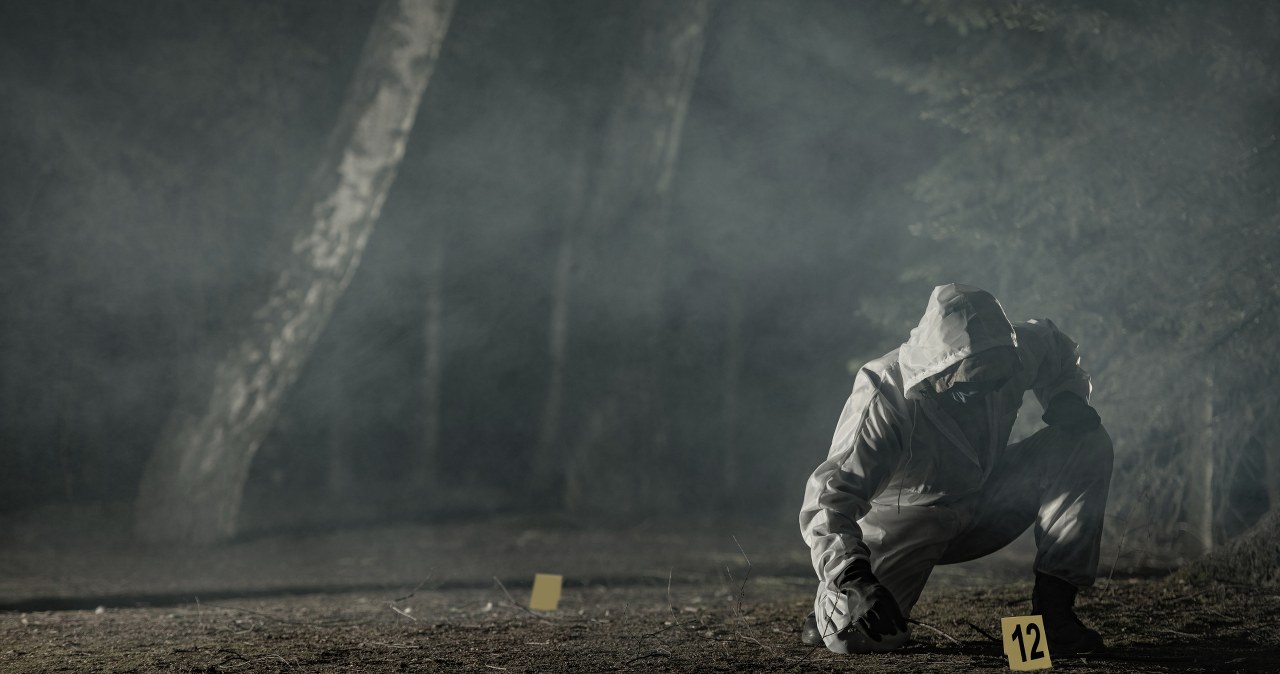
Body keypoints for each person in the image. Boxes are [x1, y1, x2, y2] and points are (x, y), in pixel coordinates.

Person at [798, 283, 1112, 656]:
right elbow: (830, 500)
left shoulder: (1011, 353)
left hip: (988, 498)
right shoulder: (884, 395)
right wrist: (854, 578)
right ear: (938, 370)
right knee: (858, 635)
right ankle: (830, 611)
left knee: (1084, 441)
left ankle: (1053, 618)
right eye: (974, 384)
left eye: (998, 380)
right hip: (907, 523)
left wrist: (1067, 397)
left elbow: (1057, 350)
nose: (989, 394)